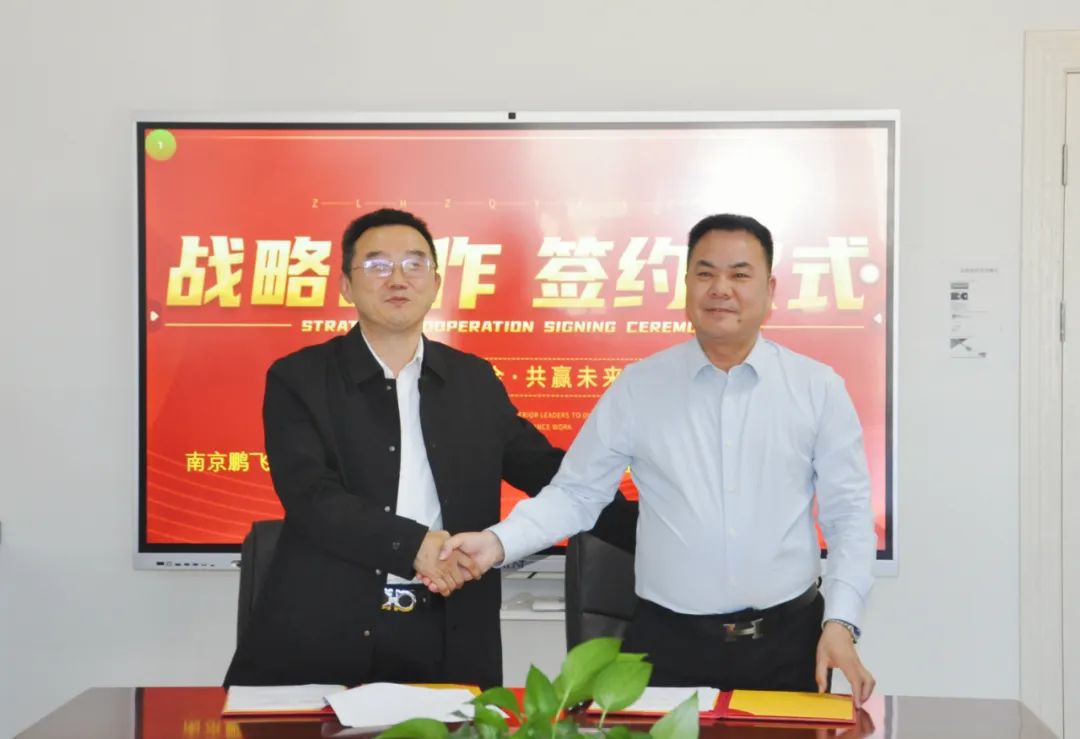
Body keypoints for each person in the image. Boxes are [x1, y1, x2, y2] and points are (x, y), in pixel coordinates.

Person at [439, 214, 877, 703]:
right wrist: (497, 543)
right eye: (705, 273)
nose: (721, 289)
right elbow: (576, 494)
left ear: (769, 290)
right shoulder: (639, 387)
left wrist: (841, 622)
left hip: (788, 644)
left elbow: (848, 517)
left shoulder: (817, 389)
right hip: (669, 645)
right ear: (686, 285)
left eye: (739, 274)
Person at [224, 208, 632, 689]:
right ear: (346, 286)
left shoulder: (472, 379)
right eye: (377, 264)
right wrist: (413, 545)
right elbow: (310, 495)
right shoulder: (300, 378)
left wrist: (657, 528)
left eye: (415, 264)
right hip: (326, 632)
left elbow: (548, 471)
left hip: (450, 632)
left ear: (435, 283)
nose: (398, 278)